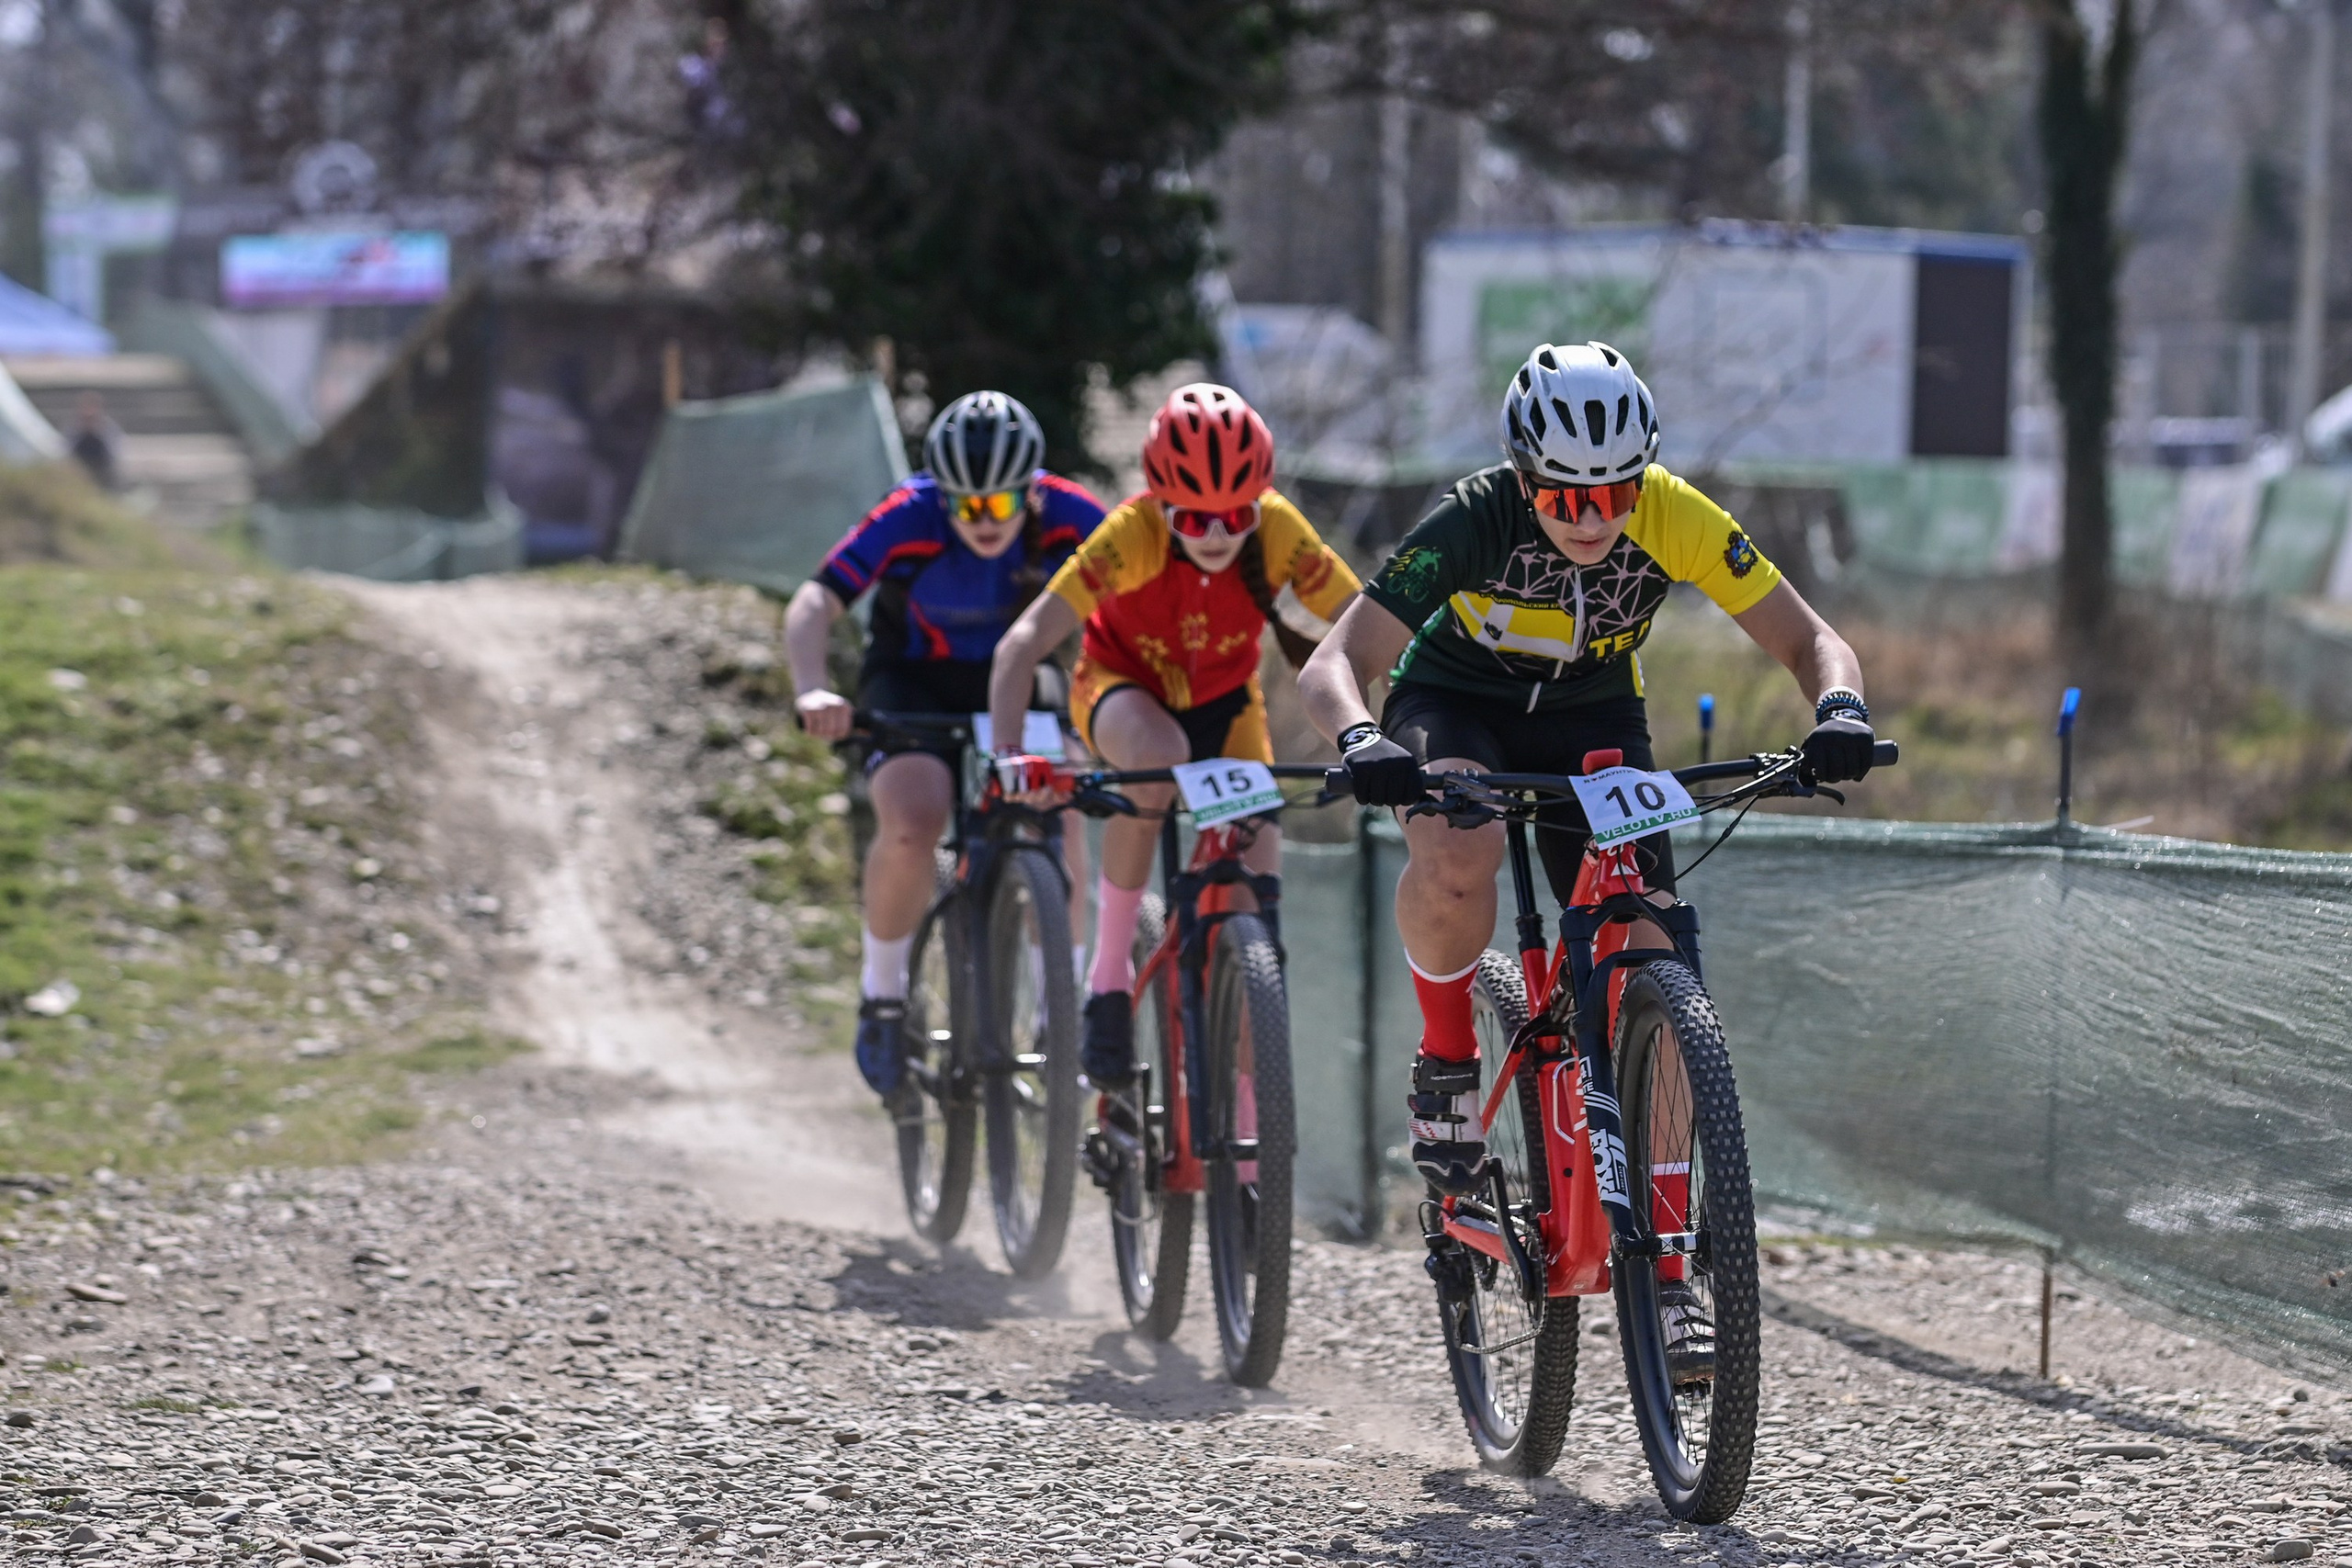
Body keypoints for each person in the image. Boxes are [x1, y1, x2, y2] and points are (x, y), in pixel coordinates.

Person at [1299, 341, 1876, 1373]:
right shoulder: (1474, 517)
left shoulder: (1674, 514)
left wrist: (1835, 708)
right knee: (1460, 850)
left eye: (1610, 489)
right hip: (1455, 705)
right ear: (1524, 477)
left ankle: (1668, 1273)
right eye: (1560, 494)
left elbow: (1812, 641)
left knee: (1652, 941)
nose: (1587, 514)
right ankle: (1445, 1067)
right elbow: (1335, 661)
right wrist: (1359, 739)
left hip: (1592, 716)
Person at [986, 383, 1362, 1089]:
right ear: (1161, 502)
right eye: (1192, 517)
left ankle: (1251, 1151)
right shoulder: (1131, 534)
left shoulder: (1278, 529)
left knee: (1258, 919)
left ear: (1261, 501)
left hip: (1226, 704)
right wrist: (1009, 754)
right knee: (1157, 761)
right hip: (1121, 688)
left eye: (1236, 516)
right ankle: (1106, 980)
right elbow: (1024, 642)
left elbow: (1368, 618)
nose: (1218, 534)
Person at [786, 389, 1105, 1097]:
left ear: (1031, 491)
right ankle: (884, 996)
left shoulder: (1072, 513)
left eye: (1000, 504)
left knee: (1063, 806)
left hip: (1019, 679)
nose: (983, 521)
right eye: (966, 505)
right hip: (914, 679)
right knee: (913, 819)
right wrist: (812, 686)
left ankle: (1063, 1010)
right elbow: (816, 600)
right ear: (941, 494)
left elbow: (1141, 590)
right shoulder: (908, 513)